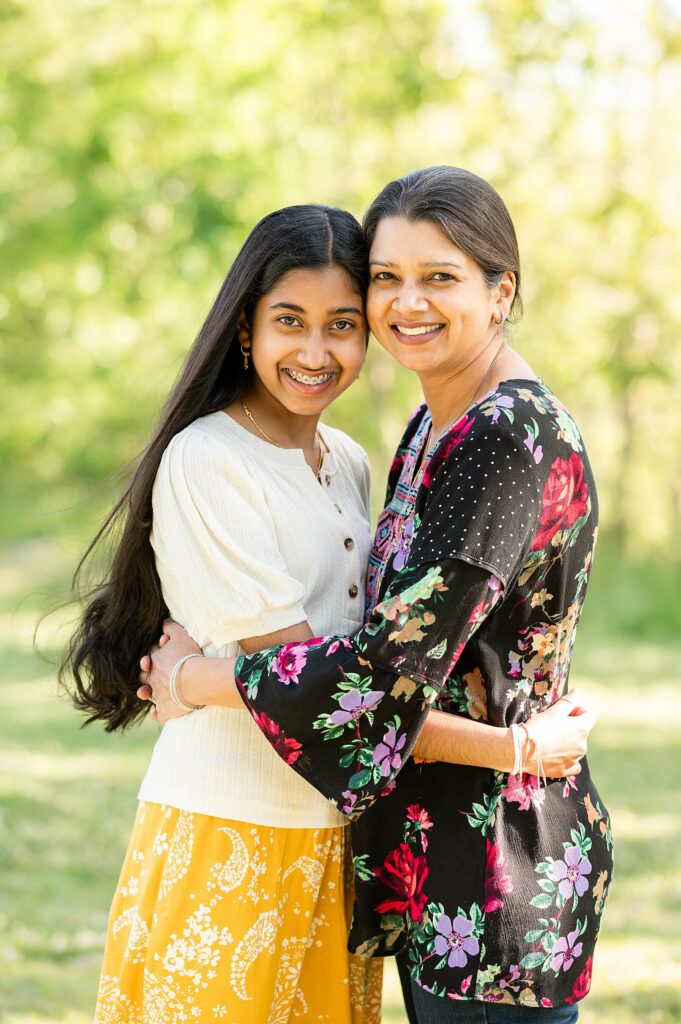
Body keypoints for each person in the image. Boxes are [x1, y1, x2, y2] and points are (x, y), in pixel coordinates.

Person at [63, 199, 591, 1023]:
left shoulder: (365, 455)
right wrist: (513, 746)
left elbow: (365, 680)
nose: (316, 352)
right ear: (246, 329)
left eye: (342, 322)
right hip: (239, 823)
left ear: (499, 291)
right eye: (290, 323)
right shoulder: (215, 459)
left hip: (366, 839)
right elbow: (342, 691)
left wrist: (198, 676)